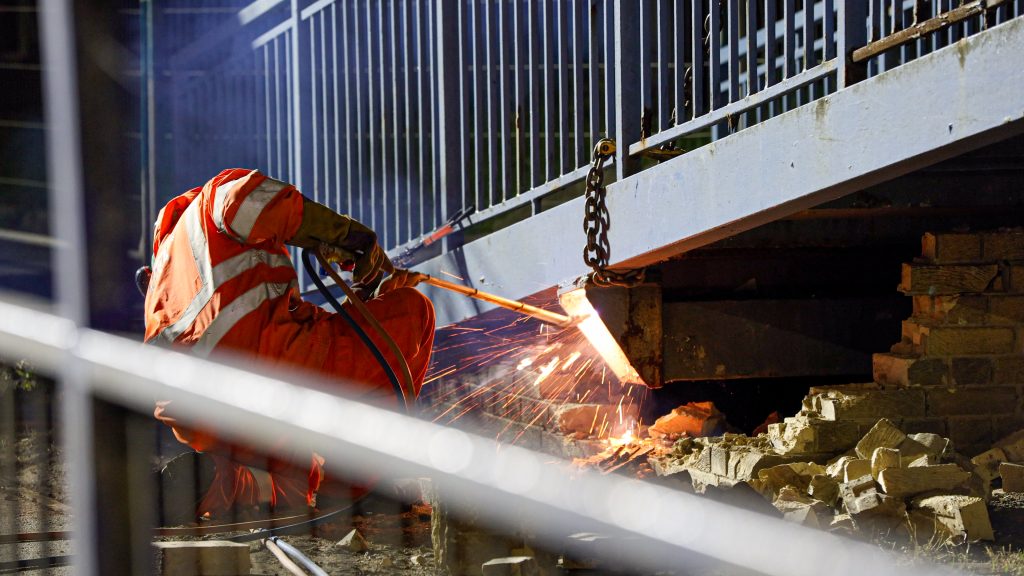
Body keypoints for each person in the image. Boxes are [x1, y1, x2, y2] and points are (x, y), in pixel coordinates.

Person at [143, 167, 435, 521]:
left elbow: (291, 326)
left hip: (195, 413)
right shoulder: (210, 200)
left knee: (296, 483)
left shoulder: (168, 269)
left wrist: (365, 300)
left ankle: (218, 484)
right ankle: (360, 490)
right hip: (255, 373)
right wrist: (347, 234)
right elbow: (255, 200)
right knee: (413, 312)